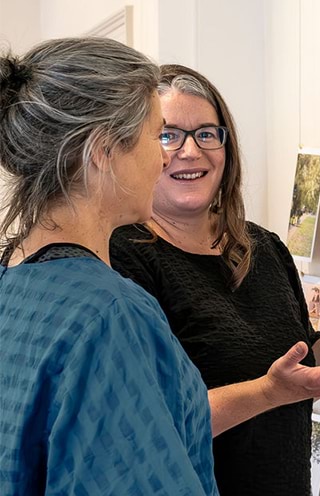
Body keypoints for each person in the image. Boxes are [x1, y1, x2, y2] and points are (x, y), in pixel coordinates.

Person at [110, 64, 320, 495]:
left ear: (226, 147)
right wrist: (267, 393)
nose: (190, 151)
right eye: (168, 134)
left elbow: (307, 366)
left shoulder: (262, 246)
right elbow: (152, 423)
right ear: (141, 149)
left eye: (206, 133)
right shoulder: (123, 258)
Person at [0, 38, 218, 494]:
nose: (165, 157)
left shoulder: (12, 286)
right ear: (102, 149)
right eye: (157, 135)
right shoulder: (110, 316)